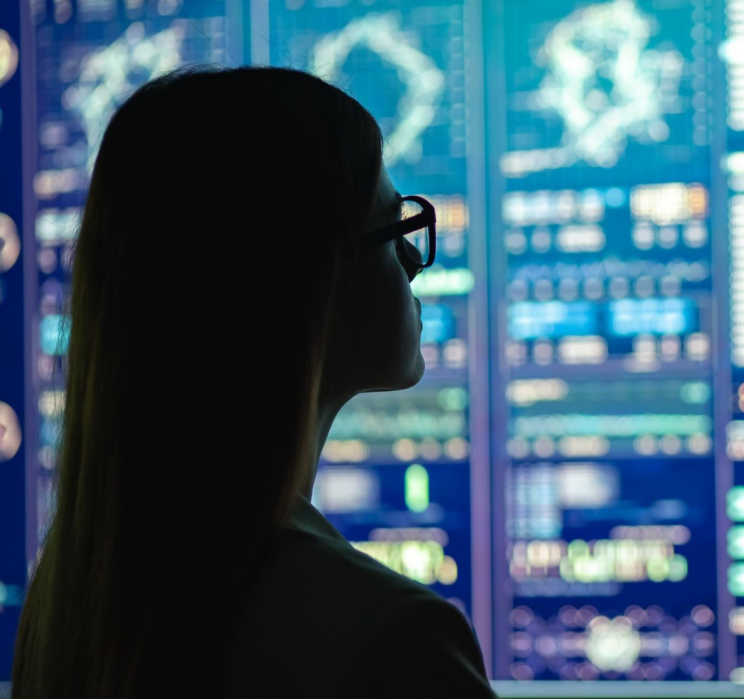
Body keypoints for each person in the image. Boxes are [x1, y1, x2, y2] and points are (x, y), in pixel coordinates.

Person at [12, 66, 495, 698]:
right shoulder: (390, 637)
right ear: (306, 283)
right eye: (395, 229)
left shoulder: (71, 597)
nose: (415, 264)